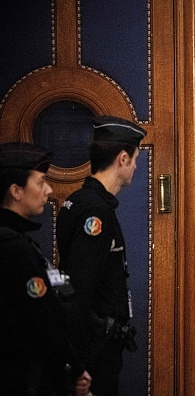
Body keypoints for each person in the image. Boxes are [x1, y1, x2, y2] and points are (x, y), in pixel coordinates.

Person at [56, 115, 147, 395]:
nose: (134, 167)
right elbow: (80, 290)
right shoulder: (95, 213)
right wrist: (77, 361)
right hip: (94, 349)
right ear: (121, 159)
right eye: (133, 160)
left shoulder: (81, 201)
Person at [0, 142, 91, 395]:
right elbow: (43, 319)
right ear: (16, 191)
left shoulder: (18, 240)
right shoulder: (13, 248)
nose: (49, 191)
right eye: (41, 182)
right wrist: (74, 367)